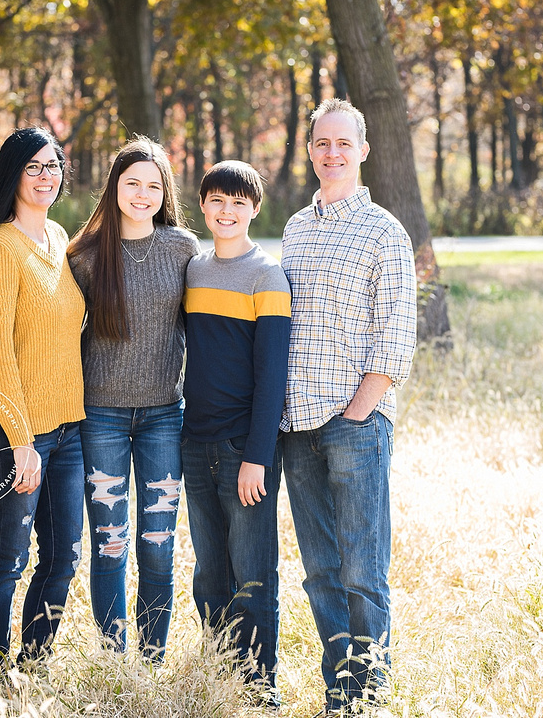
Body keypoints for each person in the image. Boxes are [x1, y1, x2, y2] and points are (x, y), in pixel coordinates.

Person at [280, 99, 418, 713]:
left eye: (342, 143)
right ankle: (340, 690)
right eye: (320, 143)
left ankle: (371, 692)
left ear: (363, 150)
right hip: (296, 425)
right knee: (319, 571)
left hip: (354, 425)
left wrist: (359, 412)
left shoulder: (385, 232)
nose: (330, 153)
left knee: (364, 571)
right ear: (309, 150)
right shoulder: (294, 229)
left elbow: (395, 337)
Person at [67, 138, 200, 661]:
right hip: (98, 414)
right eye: (132, 183)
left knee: (158, 546)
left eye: (153, 184)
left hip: (164, 416)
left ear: (164, 190)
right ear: (114, 187)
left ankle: (152, 657)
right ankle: (113, 658)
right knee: (110, 542)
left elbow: (200, 327)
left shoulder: (183, 248)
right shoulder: (83, 255)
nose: (142, 194)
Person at [0, 127, 87, 668]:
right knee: (8, 560)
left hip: (68, 431)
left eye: (52, 165)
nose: (45, 176)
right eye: (32, 166)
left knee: (63, 558)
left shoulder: (58, 239)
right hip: (19, 438)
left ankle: (31, 667)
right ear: (12, 174)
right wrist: (21, 442)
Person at [180, 161, 290, 707]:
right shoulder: (194, 271)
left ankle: (260, 688)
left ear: (254, 208)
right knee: (209, 573)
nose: (227, 211)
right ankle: (220, 676)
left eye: (238, 202)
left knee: (253, 574)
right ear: (203, 206)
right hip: (194, 445)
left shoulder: (266, 275)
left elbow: (273, 377)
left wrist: (258, 456)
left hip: (242, 450)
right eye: (217, 201)